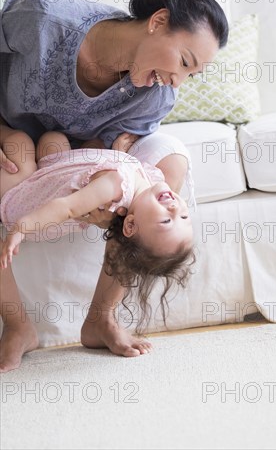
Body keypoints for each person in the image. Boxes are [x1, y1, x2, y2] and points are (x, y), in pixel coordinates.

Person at [0, 0, 228, 364]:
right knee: (16, 173)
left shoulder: (156, 94)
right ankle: (18, 326)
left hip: (71, 152)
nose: (177, 82)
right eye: (184, 63)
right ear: (157, 21)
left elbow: (105, 146)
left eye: (190, 76)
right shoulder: (41, 21)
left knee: (170, 158)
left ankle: (100, 318)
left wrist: (102, 191)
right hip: (10, 132)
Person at [0, 127, 195, 372]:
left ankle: (24, 328)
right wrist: (117, 154)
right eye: (184, 216)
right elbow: (117, 167)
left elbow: (67, 208)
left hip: (19, 198)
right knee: (54, 140)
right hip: (55, 168)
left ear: (131, 223)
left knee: (19, 141)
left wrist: (22, 227)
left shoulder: (116, 187)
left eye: (167, 221)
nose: (175, 209)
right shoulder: (150, 182)